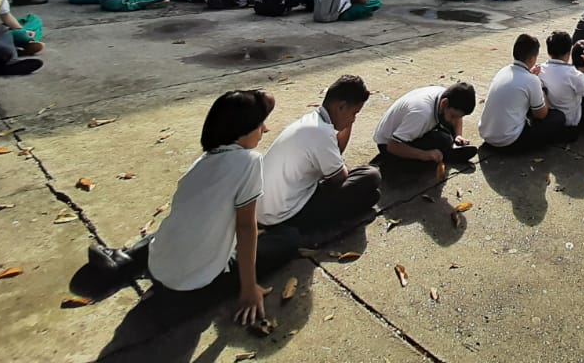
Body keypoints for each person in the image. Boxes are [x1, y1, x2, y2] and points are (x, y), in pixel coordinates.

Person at [86, 90, 298, 326]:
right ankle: (135, 265)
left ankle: (125, 259)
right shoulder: (250, 161)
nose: (265, 130)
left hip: (159, 265)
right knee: (288, 239)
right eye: (260, 124)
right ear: (243, 129)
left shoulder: (202, 162)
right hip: (194, 283)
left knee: (183, 226)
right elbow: (246, 227)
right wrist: (249, 289)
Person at [257, 76, 382, 240]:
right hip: (284, 214)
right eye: (354, 113)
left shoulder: (313, 121)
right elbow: (339, 178)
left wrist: (348, 122)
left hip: (265, 207)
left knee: (368, 192)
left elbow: (335, 154)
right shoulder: (321, 132)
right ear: (341, 106)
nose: (353, 119)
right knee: (371, 177)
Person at [478, 34, 566, 151]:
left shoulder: (503, 71)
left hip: (487, 135)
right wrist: (541, 88)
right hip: (508, 141)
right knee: (558, 117)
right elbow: (541, 114)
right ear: (532, 58)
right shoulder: (532, 80)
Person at [373, 82, 479, 167]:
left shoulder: (444, 95)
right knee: (434, 153)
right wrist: (425, 155)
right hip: (389, 146)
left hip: (406, 132)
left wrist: (458, 135)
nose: (454, 121)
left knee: (444, 138)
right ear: (444, 103)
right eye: (453, 116)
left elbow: (457, 117)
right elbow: (393, 146)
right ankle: (448, 152)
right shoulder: (421, 115)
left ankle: (450, 147)